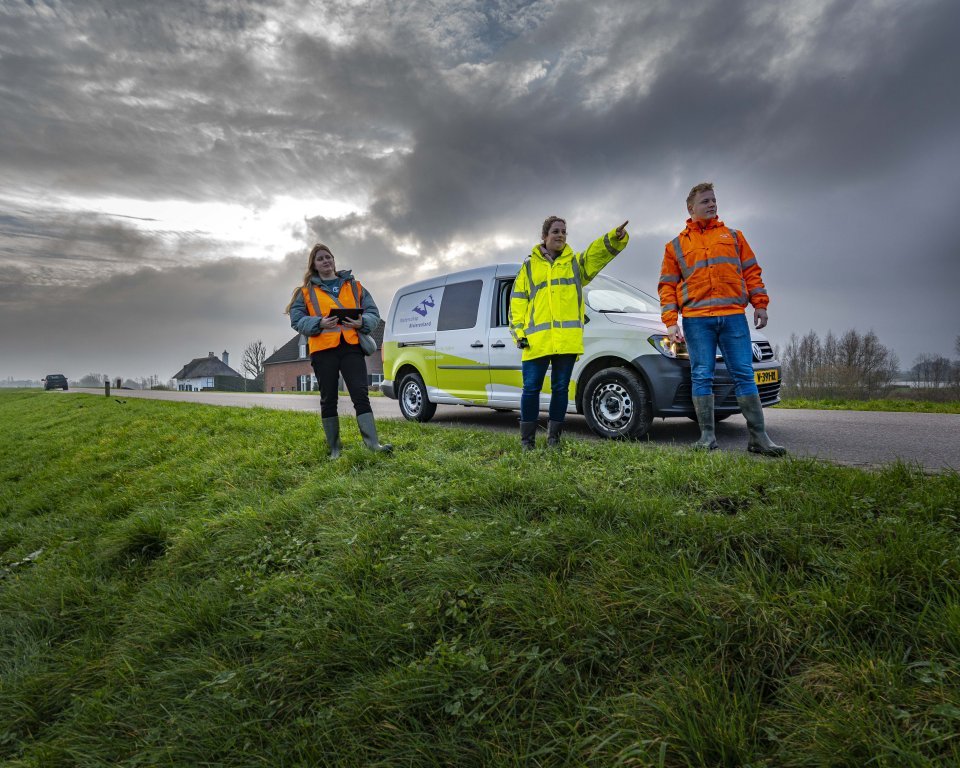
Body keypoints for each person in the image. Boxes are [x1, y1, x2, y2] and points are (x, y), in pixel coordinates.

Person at [657, 182, 785, 456]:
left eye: (714, 200)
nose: (712, 204)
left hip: (733, 317)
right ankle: (707, 437)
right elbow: (667, 286)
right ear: (691, 208)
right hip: (696, 320)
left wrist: (759, 304)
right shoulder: (675, 246)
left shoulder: (734, 237)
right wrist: (670, 322)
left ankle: (759, 438)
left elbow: (752, 272)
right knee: (702, 374)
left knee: (744, 374)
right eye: (705, 201)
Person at [510, 216, 629, 450]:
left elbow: (595, 255)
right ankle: (527, 442)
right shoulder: (529, 267)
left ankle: (554, 439)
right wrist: (519, 333)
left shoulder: (574, 264)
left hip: (566, 341)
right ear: (544, 236)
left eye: (564, 231)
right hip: (536, 342)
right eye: (555, 231)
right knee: (531, 389)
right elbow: (517, 302)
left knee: (561, 389)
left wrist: (613, 239)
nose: (561, 235)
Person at [286, 243, 392, 457]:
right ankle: (335, 448)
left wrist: (362, 322)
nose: (326, 261)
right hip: (323, 350)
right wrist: (319, 323)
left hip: (351, 347)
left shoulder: (355, 286)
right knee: (328, 398)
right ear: (314, 265)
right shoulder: (305, 293)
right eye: (320, 259)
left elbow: (372, 311)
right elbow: (297, 320)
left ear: (334, 260)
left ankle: (373, 445)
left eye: (328, 257)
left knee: (360, 394)